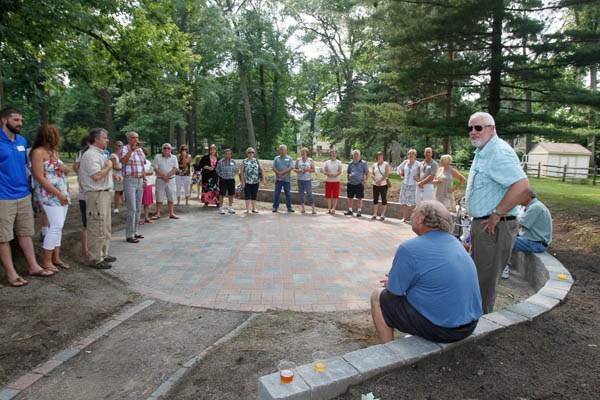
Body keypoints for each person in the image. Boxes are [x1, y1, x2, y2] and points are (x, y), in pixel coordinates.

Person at [370, 201, 482, 343]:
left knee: (378, 296)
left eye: (414, 212)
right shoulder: (456, 243)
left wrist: (394, 282)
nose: (411, 215)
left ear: (421, 218)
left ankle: (389, 350)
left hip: (443, 330)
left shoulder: (409, 248)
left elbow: (394, 291)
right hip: (469, 325)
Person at [465, 111, 529, 313]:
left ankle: (480, 323)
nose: (473, 132)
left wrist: (497, 213)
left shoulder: (498, 152)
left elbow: (522, 186)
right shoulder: (483, 151)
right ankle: (473, 317)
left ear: (492, 129)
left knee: (484, 281)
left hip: (493, 227)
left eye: (478, 127)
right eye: (470, 128)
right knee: (478, 277)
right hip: (484, 225)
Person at [0, 107, 54, 286]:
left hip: (23, 194)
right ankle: (11, 274)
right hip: (3, 197)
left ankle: (33, 266)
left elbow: (26, 167)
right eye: (16, 120)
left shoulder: (21, 140)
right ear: (4, 120)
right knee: (3, 237)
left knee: (25, 233)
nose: (20, 123)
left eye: (21, 120)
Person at [30, 124, 71, 272]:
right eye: (52, 134)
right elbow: (39, 176)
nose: (55, 137)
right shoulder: (38, 152)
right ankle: (46, 261)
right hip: (49, 195)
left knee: (59, 227)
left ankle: (56, 258)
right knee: (55, 226)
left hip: (62, 193)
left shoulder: (54, 152)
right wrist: (58, 194)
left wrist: (63, 168)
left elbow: (65, 170)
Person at [79, 128, 119, 269]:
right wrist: (109, 166)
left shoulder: (100, 154)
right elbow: (96, 176)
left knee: (105, 225)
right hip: (96, 194)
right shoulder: (90, 155)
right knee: (97, 226)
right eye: (104, 137)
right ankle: (95, 258)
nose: (107, 140)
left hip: (104, 193)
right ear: (96, 139)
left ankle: (104, 253)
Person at [502, 188, 552, 279]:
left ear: (527, 197)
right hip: (534, 241)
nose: (517, 199)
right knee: (505, 238)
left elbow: (517, 226)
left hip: (536, 244)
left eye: (519, 197)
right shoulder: (535, 206)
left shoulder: (535, 208)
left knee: (504, 241)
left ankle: (503, 268)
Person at [120, 131, 146, 243]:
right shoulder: (124, 149)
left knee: (138, 208)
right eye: (133, 138)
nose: (136, 139)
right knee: (132, 209)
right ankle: (129, 235)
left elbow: (143, 165)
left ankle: (135, 231)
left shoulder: (140, 150)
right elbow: (124, 161)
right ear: (129, 139)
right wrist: (131, 150)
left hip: (140, 180)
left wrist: (144, 179)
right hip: (129, 180)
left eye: (137, 137)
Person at [153, 143, 179, 220]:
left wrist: (167, 176)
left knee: (171, 196)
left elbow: (175, 168)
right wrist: (164, 176)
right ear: (162, 149)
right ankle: (158, 213)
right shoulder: (157, 157)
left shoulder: (174, 157)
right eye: (165, 148)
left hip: (171, 180)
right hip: (160, 180)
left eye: (168, 148)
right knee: (159, 196)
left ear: (171, 150)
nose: (166, 149)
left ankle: (171, 213)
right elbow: (155, 168)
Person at [73, 137, 90, 258]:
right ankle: (85, 249)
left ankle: (93, 248)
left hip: (93, 194)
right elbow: (76, 168)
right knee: (87, 224)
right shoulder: (82, 153)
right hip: (85, 195)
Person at [397, 149, 420, 222]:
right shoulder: (405, 162)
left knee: (413, 203)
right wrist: (401, 175)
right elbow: (399, 169)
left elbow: (423, 172)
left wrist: (418, 178)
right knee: (404, 202)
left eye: (412, 153)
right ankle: (404, 217)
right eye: (409, 153)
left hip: (414, 185)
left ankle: (413, 219)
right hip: (405, 184)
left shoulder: (418, 164)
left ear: (415, 155)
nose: (410, 155)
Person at [240, 147, 265, 213]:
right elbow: (241, 172)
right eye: (249, 152)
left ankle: (253, 208)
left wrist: (263, 179)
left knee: (254, 194)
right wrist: (242, 181)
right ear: (247, 153)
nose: (251, 153)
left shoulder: (256, 161)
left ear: (254, 153)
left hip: (255, 181)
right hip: (247, 181)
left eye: (252, 152)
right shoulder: (244, 161)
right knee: (247, 195)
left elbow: (262, 170)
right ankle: (247, 209)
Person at [345, 149, 369, 217]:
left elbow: (367, 173)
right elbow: (348, 172)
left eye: (357, 154)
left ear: (360, 155)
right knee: (350, 197)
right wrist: (348, 178)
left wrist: (365, 180)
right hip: (351, 183)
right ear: (353, 156)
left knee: (359, 198)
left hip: (359, 183)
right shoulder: (350, 163)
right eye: (354, 155)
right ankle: (350, 210)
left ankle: (359, 211)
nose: (355, 156)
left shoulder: (364, 163)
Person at [272, 144, 294, 213]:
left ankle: (289, 207)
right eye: (281, 149)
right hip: (278, 179)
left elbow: (291, 167)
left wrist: (282, 173)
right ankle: (275, 207)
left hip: (286, 180)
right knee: (277, 193)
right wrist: (279, 174)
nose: (282, 151)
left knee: (288, 194)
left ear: (286, 150)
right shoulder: (276, 158)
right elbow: (273, 167)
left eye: (283, 149)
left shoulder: (289, 158)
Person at [295, 147, 316, 214]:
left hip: (307, 179)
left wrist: (307, 170)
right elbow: (295, 169)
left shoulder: (310, 160)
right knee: (301, 193)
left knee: (309, 193)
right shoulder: (298, 160)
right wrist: (299, 170)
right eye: (302, 153)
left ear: (307, 153)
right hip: (300, 179)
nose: (303, 154)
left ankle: (313, 209)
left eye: (304, 153)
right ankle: (303, 208)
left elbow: (313, 170)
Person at [216, 148, 237, 215]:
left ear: (231, 155)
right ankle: (221, 208)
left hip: (231, 179)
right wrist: (222, 175)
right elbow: (217, 170)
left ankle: (230, 207)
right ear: (224, 154)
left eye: (229, 154)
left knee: (231, 194)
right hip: (223, 179)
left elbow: (235, 170)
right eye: (226, 154)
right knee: (221, 194)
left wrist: (232, 175)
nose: (228, 155)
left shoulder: (233, 161)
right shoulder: (220, 162)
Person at [371, 151, 391, 221]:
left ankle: (382, 215)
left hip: (383, 184)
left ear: (383, 157)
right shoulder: (374, 165)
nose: (380, 157)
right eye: (378, 156)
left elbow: (386, 174)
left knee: (383, 199)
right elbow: (372, 174)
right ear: (377, 157)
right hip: (375, 184)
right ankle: (375, 214)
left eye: (381, 156)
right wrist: (375, 180)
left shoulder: (386, 164)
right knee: (375, 199)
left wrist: (380, 181)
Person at [323, 148, 342, 214]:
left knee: (335, 195)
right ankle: (329, 209)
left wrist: (335, 175)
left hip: (336, 181)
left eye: (335, 153)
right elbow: (324, 171)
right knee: (328, 195)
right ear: (330, 154)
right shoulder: (327, 162)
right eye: (332, 153)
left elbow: (340, 171)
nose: (333, 154)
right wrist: (328, 174)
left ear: (336, 154)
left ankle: (333, 209)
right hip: (328, 181)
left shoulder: (339, 162)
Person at [141, 148, 155, 224]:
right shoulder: (136, 162)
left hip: (148, 183)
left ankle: (146, 217)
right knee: (137, 202)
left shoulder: (148, 162)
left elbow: (151, 172)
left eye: (144, 154)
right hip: (139, 183)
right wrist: (145, 173)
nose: (143, 155)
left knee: (147, 202)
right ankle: (137, 218)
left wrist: (142, 173)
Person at [110, 141, 124, 214]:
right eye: (118, 145)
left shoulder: (122, 155)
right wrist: (124, 168)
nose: (120, 147)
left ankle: (122, 203)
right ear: (115, 146)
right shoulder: (113, 155)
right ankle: (116, 208)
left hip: (123, 175)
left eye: (121, 146)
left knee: (121, 191)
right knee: (118, 192)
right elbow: (114, 166)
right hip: (117, 176)